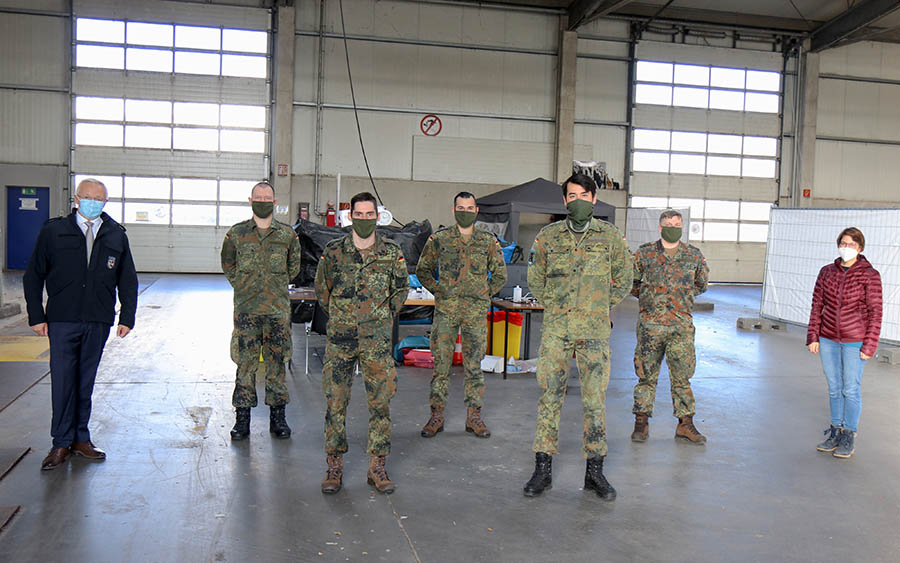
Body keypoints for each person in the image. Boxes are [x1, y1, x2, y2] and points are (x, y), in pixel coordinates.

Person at [522, 173, 632, 501]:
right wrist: (556, 306)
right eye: (572, 195)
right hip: (557, 330)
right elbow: (536, 278)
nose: (579, 200)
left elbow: (624, 278)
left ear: (594, 200)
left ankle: (595, 473)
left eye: (585, 194)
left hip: (594, 332)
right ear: (565, 201)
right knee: (549, 398)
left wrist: (598, 306)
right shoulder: (549, 236)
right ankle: (542, 470)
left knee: (595, 401)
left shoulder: (610, 237)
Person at [24, 178, 138, 470]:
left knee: (85, 381)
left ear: (105, 202)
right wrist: (36, 315)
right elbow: (34, 274)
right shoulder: (54, 231)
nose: (93, 202)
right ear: (76, 199)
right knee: (63, 380)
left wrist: (126, 317)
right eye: (88, 197)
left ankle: (81, 439)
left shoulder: (115, 235)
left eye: (99, 198)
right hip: (62, 319)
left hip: (98, 320)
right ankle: (60, 442)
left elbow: (127, 279)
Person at [315, 192, 408, 494]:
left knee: (380, 403)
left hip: (377, 341)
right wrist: (344, 315)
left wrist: (381, 317)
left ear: (378, 217)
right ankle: (334, 466)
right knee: (335, 403)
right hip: (341, 339)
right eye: (360, 213)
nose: (365, 219)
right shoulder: (333, 251)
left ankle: (377, 467)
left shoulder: (391, 252)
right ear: (350, 216)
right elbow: (322, 290)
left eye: (371, 214)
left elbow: (401, 289)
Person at [416, 192, 507, 439]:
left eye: (469, 207)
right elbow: (422, 269)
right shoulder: (440, 239)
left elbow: (500, 274)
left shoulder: (487, 241)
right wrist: (439, 290)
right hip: (446, 312)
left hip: (474, 314)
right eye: (460, 207)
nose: (465, 211)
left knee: (474, 367)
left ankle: (474, 417)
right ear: (454, 210)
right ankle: (436, 416)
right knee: (441, 367)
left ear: (476, 211)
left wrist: (483, 293)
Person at [221, 181, 301, 440]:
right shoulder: (237, 234)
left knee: (276, 364)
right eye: (259, 197)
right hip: (246, 311)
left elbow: (294, 268)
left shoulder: (287, 235)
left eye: (268, 197)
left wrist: (272, 288)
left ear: (274, 201)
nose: (263, 200)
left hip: (277, 312)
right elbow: (228, 264)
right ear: (250, 200)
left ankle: (278, 418)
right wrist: (244, 287)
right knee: (245, 365)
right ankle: (242, 419)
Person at [630, 209, 710, 445]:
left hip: (680, 326)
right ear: (660, 227)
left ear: (682, 227)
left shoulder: (693, 255)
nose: (672, 226)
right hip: (650, 326)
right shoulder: (644, 253)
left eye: (677, 223)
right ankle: (641, 424)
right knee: (646, 376)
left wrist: (679, 299)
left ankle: (685, 425)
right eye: (668, 223)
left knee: (682, 377)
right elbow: (632, 283)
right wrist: (649, 301)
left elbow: (701, 284)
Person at [807, 227, 882, 459]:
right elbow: (817, 305)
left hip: (854, 341)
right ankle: (836, 430)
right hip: (828, 338)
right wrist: (813, 336)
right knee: (834, 387)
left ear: (860, 248)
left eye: (851, 244)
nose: (846, 247)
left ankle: (849, 433)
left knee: (850, 388)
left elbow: (875, 311)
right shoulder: (827, 272)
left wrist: (869, 345)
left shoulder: (869, 275)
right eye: (843, 243)